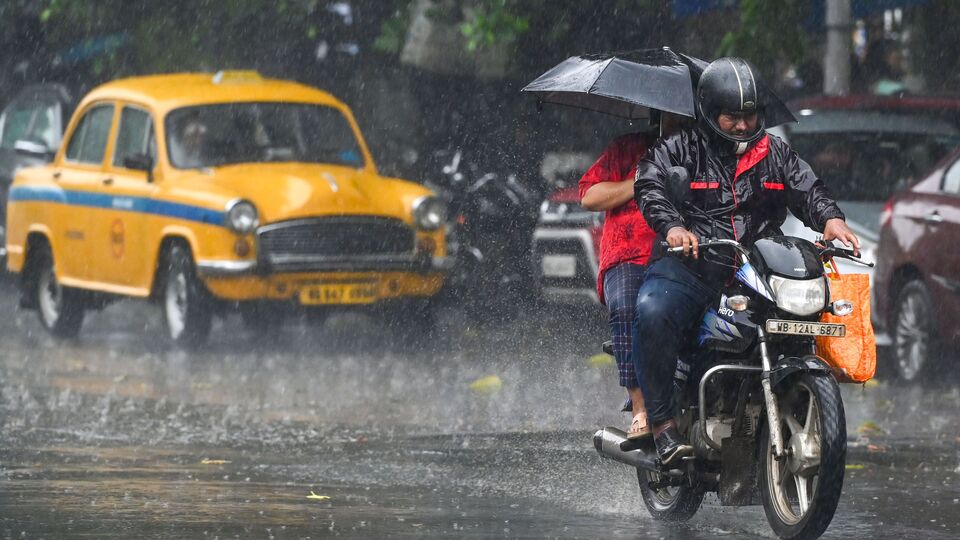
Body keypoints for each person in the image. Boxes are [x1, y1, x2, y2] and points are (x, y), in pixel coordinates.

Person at [631, 57, 861, 466]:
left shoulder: (775, 153)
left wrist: (831, 219)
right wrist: (673, 227)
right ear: (708, 111)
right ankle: (663, 424)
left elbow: (808, 188)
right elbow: (650, 183)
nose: (741, 125)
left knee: (802, 320)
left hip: (755, 271)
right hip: (690, 266)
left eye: (749, 115)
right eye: (732, 116)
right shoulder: (680, 148)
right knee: (653, 311)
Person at [579, 112, 688, 441]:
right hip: (628, 255)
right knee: (629, 307)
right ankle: (641, 408)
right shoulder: (626, 148)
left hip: (684, 254)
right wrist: (641, 181)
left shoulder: (703, 152)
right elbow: (590, 196)